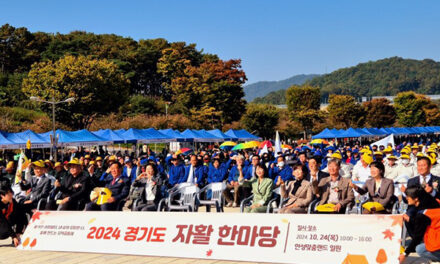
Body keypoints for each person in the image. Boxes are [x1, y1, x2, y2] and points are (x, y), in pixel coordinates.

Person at [399, 187, 440, 263]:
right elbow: (423, 222)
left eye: (408, 196)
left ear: (416, 199)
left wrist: (405, 254)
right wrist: (410, 220)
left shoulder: (423, 214)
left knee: (420, 249)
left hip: (437, 240)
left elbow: (417, 237)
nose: (406, 198)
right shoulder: (434, 202)